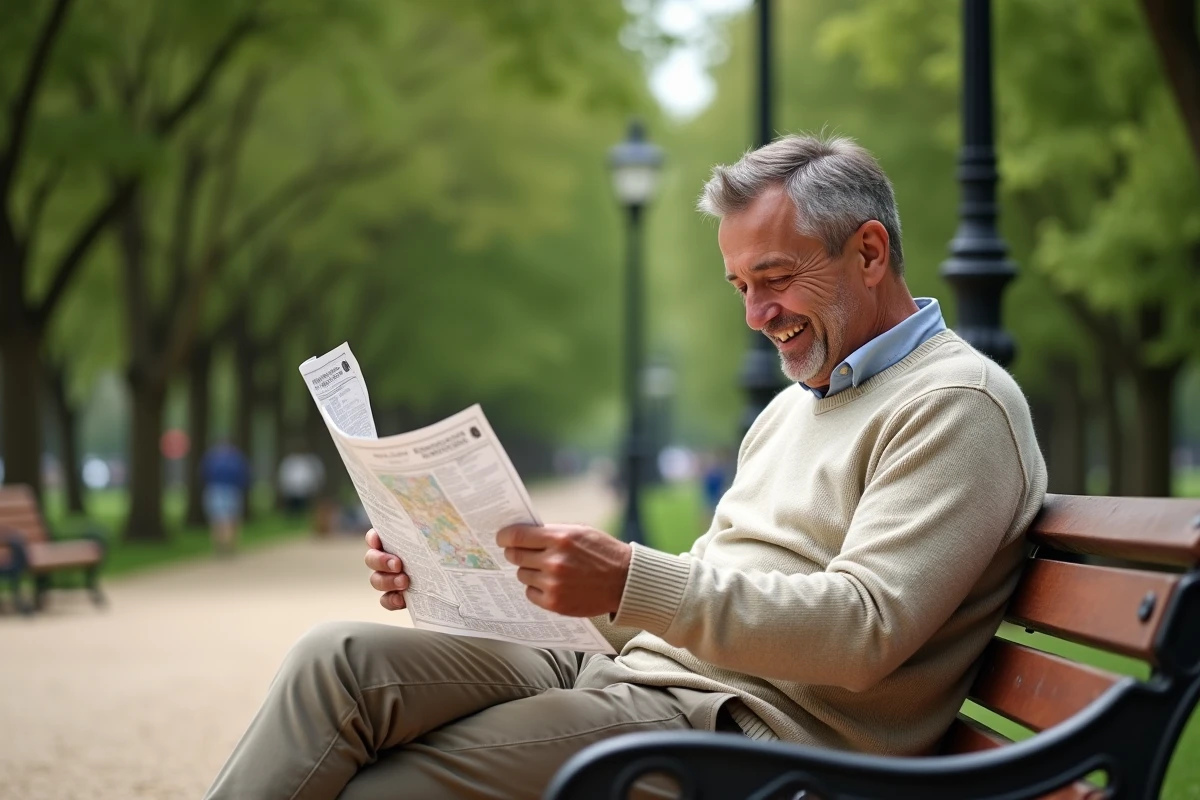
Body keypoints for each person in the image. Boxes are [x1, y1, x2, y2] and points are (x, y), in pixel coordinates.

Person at [205, 135, 1046, 799]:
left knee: (382, 789)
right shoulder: (794, 408)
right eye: (739, 287)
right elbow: (710, 586)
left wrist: (629, 581)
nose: (758, 315)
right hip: (637, 671)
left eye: (776, 278)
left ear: (869, 254)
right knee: (337, 663)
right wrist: (468, 568)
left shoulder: (956, 403)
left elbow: (864, 631)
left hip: (746, 739)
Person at [201, 440, 251, 556]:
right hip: (233, 490)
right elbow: (244, 476)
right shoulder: (237, 459)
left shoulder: (211, 458)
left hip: (214, 489)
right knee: (232, 520)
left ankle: (219, 546)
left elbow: (203, 475)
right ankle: (230, 545)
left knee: (216, 520)